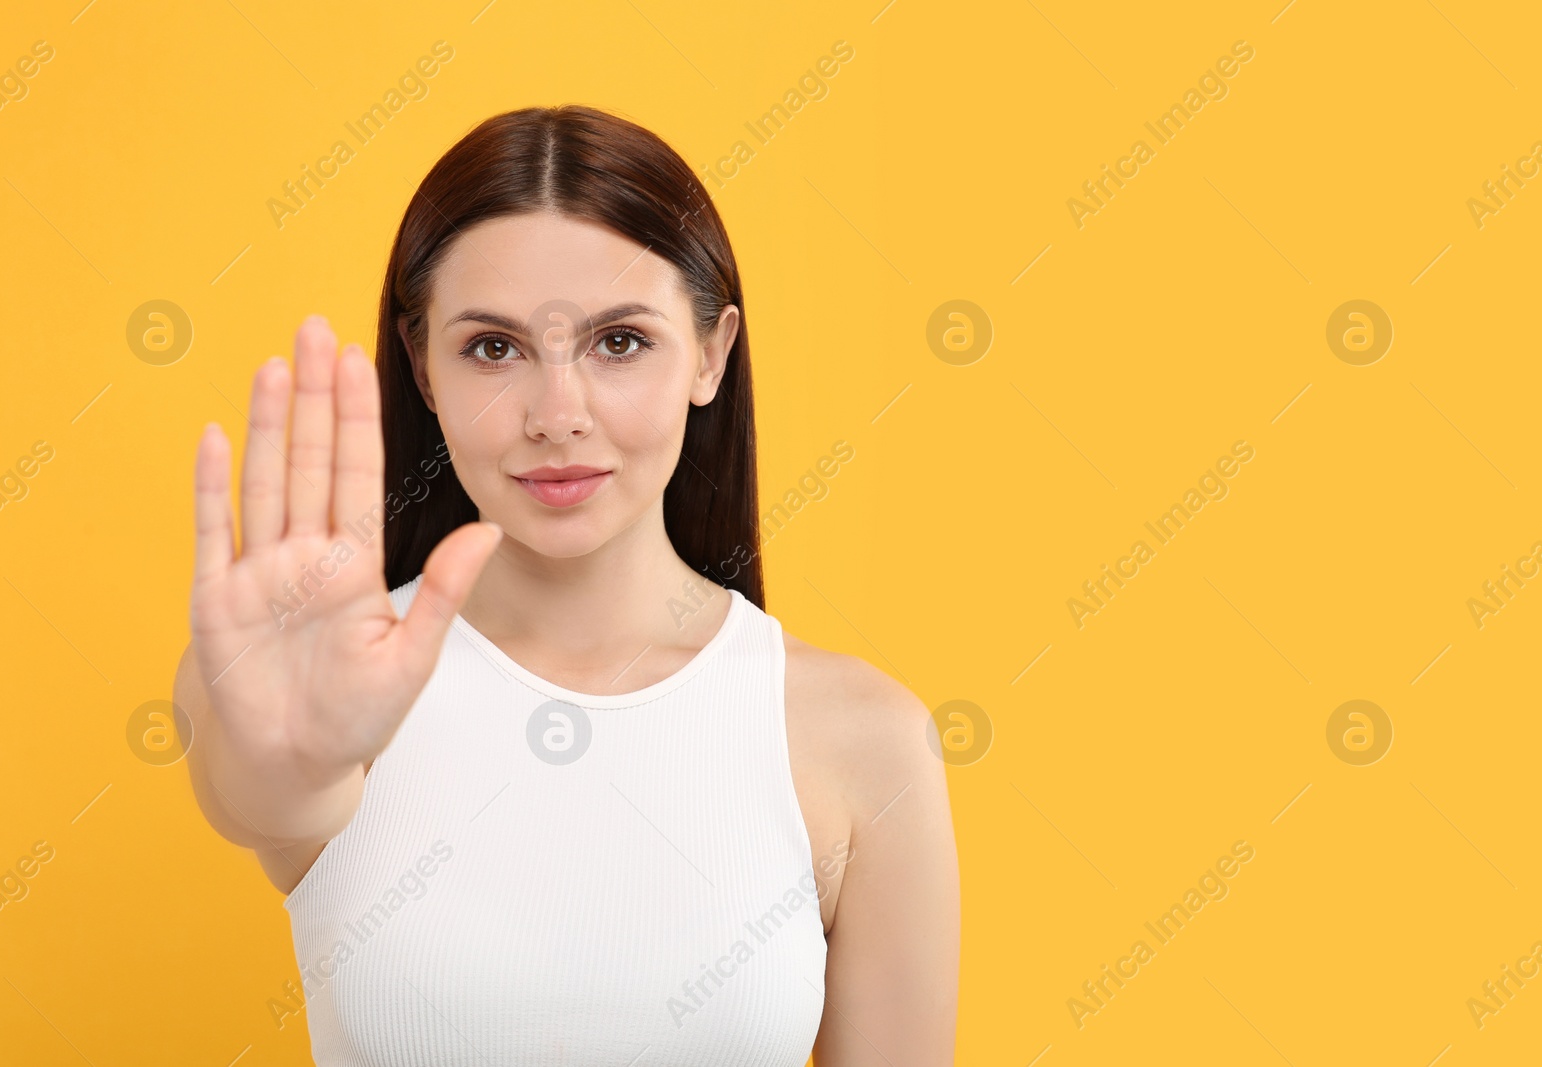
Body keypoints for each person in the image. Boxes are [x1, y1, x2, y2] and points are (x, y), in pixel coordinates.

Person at [174, 104, 958, 1065]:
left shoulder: (865, 741)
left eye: (619, 341)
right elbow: (257, 792)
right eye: (493, 348)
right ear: (423, 367)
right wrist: (279, 757)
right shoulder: (323, 684)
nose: (556, 414)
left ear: (711, 353)